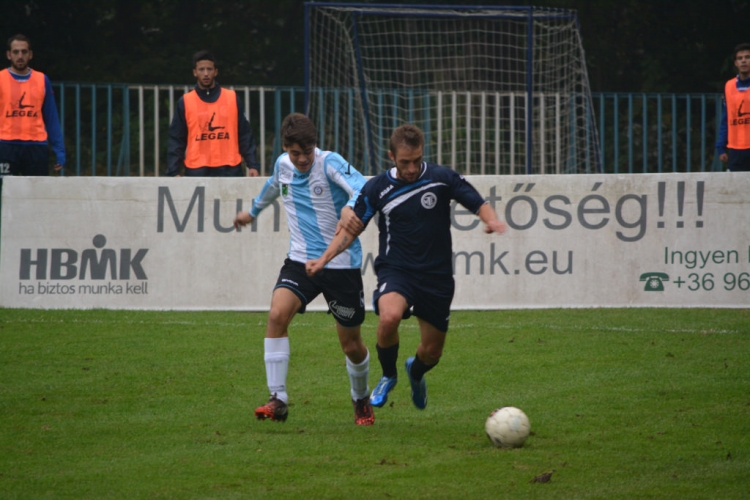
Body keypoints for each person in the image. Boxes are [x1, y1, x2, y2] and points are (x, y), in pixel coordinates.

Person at [306, 124, 507, 411]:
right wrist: (323, 259)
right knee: (388, 318)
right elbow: (351, 228)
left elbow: (477, 201)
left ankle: (416, 371)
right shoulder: (377, 188)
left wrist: (491, 220)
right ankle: (389, 375)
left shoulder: (441, 178)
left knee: (432, 352)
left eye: (416, 160)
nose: (411, 168)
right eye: (404, 162)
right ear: (391, 156)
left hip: (436, 276)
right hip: (396, 270)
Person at [233, 112, 374, 425]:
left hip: (340, 262)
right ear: (285, 148)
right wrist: (253, 212)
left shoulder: (330, 163)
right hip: (300, 260)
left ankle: (360, 397)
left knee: (351, 346)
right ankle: (278, 397)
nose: (301, 159)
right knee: (276, 315)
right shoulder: (283, 164)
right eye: (295, 153)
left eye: (307, 152)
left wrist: (351, 205)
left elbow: (363, 187)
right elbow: (272, 187)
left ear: (315, 146)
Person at [167, 50, 260, 177]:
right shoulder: (186, 101)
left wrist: (253, 164)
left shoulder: (231, 98)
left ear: (216, 71)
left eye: (209, 69)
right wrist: (173, 170)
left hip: (229, 168)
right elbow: (176, 138)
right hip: (197, 169)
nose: (206, 73)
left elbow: (245, 134)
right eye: (201, 69)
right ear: (195, 72)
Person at [0, 34, 65, 176]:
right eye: (16, 52)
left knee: (36, 195)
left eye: (24, 51)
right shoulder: (1, 79)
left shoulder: (41, 80)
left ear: (30, 54)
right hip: (6, 145)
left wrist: (59, 151)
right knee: (4, 193)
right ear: (9, 55)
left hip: (36, 145)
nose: (20, 56)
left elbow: (51, 116)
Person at [716, 42, 750, 172]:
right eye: (740, 58)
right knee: (735, 190)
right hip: (736, 149)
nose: (744, 61)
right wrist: (721, 146)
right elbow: (726, 118)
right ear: (735, 63)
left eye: (747, 57)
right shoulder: (729, 86)